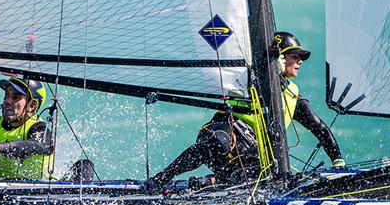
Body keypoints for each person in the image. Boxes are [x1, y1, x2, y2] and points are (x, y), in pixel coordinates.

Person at [147, 31, 345, 190]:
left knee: (269, 172)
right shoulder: (251, 80)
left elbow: (320, 129)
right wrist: (268, 71)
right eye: (295, 56)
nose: (301, 61)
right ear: (280, 58)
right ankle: (161, 178)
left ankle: (213, 182)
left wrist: (338, 162)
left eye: (302, 57)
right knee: (218, 141)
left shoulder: (293, 96)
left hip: (248, 157)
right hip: (228, 135)